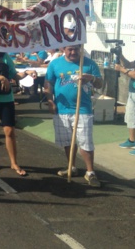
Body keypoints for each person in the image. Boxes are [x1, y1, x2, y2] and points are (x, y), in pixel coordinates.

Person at [45, 45, 103, 186]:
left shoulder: (89, 64)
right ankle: (72, 166)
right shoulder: (55, 64)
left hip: (82, 109)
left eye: (76, 49)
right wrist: (50, 100)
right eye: (70, 49)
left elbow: (100, 84)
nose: (73, 52)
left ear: (80, 49)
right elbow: (48, 82)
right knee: (67, 141)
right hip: (62, 109)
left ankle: (90, 172)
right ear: (64, 49)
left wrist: (92, 79)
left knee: (86, 142)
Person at [114, 50, 135, 154]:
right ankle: (132, 141)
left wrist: (121, 69)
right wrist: (120, 55)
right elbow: (128, 64)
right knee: (131, 117)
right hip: (133, 93)